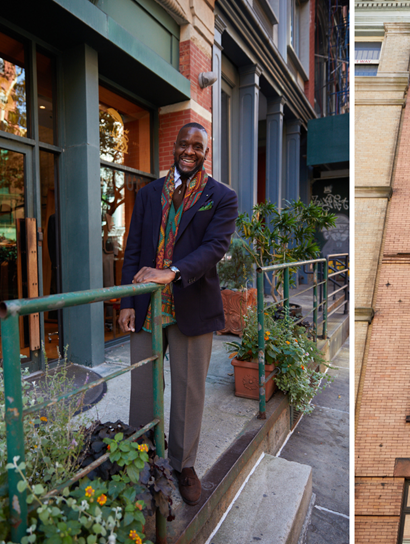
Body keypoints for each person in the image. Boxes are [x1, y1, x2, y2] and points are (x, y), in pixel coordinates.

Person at [118, 122, 238, 505]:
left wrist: (172, 272)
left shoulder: (221, 197)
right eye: (184, 144)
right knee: (143, 389)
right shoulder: (150, 193)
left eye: (197, 146)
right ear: (174, 147)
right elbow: (133, 249)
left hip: (193, 304)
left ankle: (183, 464)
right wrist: (124, 301)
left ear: (206, 153)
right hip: (147, 308)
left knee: (189, 392)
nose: (189, 151)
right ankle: (142, 456)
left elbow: (215, 247)